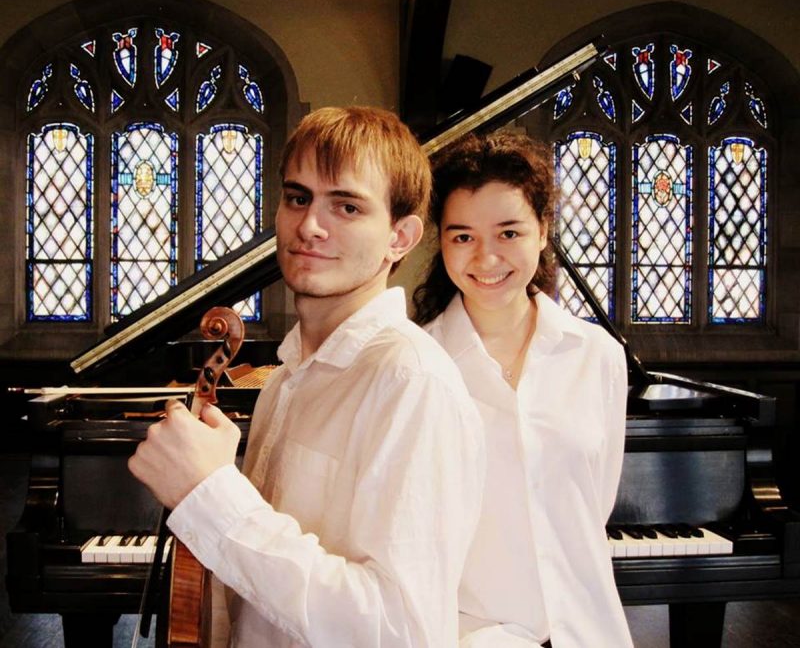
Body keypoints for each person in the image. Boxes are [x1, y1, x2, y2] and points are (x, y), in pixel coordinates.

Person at [129, 107, 484, 647]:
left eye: (347, 206)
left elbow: (398, 631)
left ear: (400, 237)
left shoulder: (412, 383)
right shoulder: (283, 381)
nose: (309, 226)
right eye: (298, 198)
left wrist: (211, 494)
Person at [413, 132, 633, 648]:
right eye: (462, 237)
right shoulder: (417, 363)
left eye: (508, 233)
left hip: (589, 629)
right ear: (441, 242)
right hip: (468, 635)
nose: (486, 258)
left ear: (543, 230)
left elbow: (593, 504)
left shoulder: (597, 355)